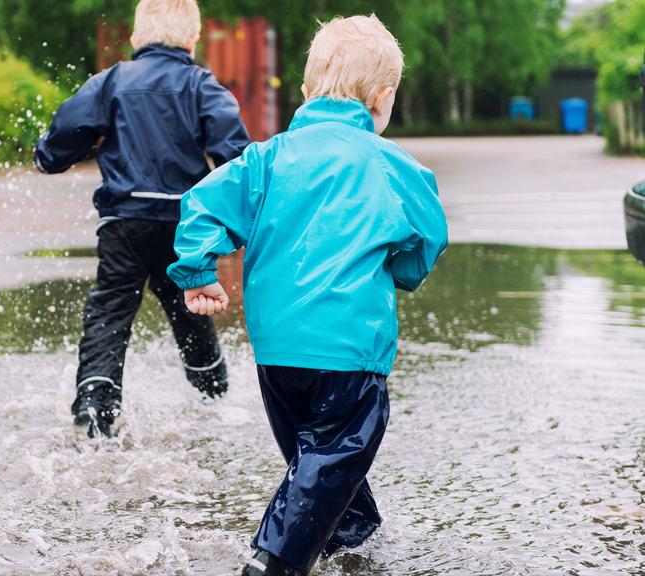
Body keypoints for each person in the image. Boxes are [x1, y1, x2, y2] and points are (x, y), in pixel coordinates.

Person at [167, 15, 448, 576]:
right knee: (336, 451)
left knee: (314, 457)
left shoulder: (267, 158)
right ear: (382, 97)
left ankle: (357, 542)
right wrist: (403, 270)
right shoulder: (393, 165)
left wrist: (198, 272)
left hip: (276, 352)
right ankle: (273, 560)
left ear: (305, 91)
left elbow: (200, 205)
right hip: (348, 348)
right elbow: (429, 236)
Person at [35, 0, 250, 438]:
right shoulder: (200, 85)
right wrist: (243, 220)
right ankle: (214, 395)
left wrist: (47, 155)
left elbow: (62, 138)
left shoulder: (111, 82)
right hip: (183, 228)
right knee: (191, 308)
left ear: (136, 38)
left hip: (123, 222)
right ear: (192, 40)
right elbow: (236, 161)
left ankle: (95, 408)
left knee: (110, 310)